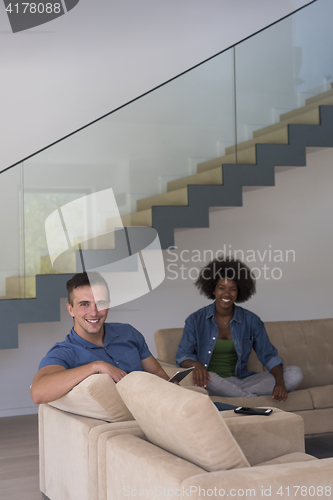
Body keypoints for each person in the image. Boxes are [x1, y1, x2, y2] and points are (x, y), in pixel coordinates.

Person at [175, 256, 303, 402]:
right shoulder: (195, 319)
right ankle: (250, 400)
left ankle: (237, 395)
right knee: (200, 377)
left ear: (239, 291)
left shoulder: (252, 320)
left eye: (233, 289)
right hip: (211, 380)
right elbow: (182, 356)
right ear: (213, 290)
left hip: (242, 380)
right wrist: (196, 364)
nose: (227, 294)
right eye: (221, 288)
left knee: (294, 374)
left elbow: (269, 356)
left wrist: (280, 383)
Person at [30, 272, 170, 404]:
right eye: (84, 304)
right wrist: (96, 366)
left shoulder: (128, 332)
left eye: (100, 303)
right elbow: (38, 393)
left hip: (153, 407)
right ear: (70, 309)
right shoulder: (65, 352)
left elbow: (160, 375)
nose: (94, 312)